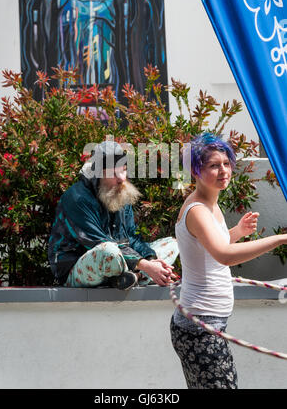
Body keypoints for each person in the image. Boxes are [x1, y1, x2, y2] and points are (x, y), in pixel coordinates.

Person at [170, 132, 287, 389]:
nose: (223, 170)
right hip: (199, 328)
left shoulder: (211, 203)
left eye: (226, 163)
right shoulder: (198, 210)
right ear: (196, 171)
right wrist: (279, 240)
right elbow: (222, 255)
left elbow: (208, 248)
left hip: (206, 323)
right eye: (213, 165)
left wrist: (237, 233)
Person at [48, 140, 179, 290]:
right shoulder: (77, 198)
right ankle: (138, 275)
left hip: (121, 261)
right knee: (108, 250)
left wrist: (151, 259)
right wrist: (146, 266)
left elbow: (132, 238)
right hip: (77, 268)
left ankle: (132, 277)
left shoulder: (120, 191)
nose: (122, 179)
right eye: (114, 172)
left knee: (171, 244)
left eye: (123, 170)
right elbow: (98, 242)